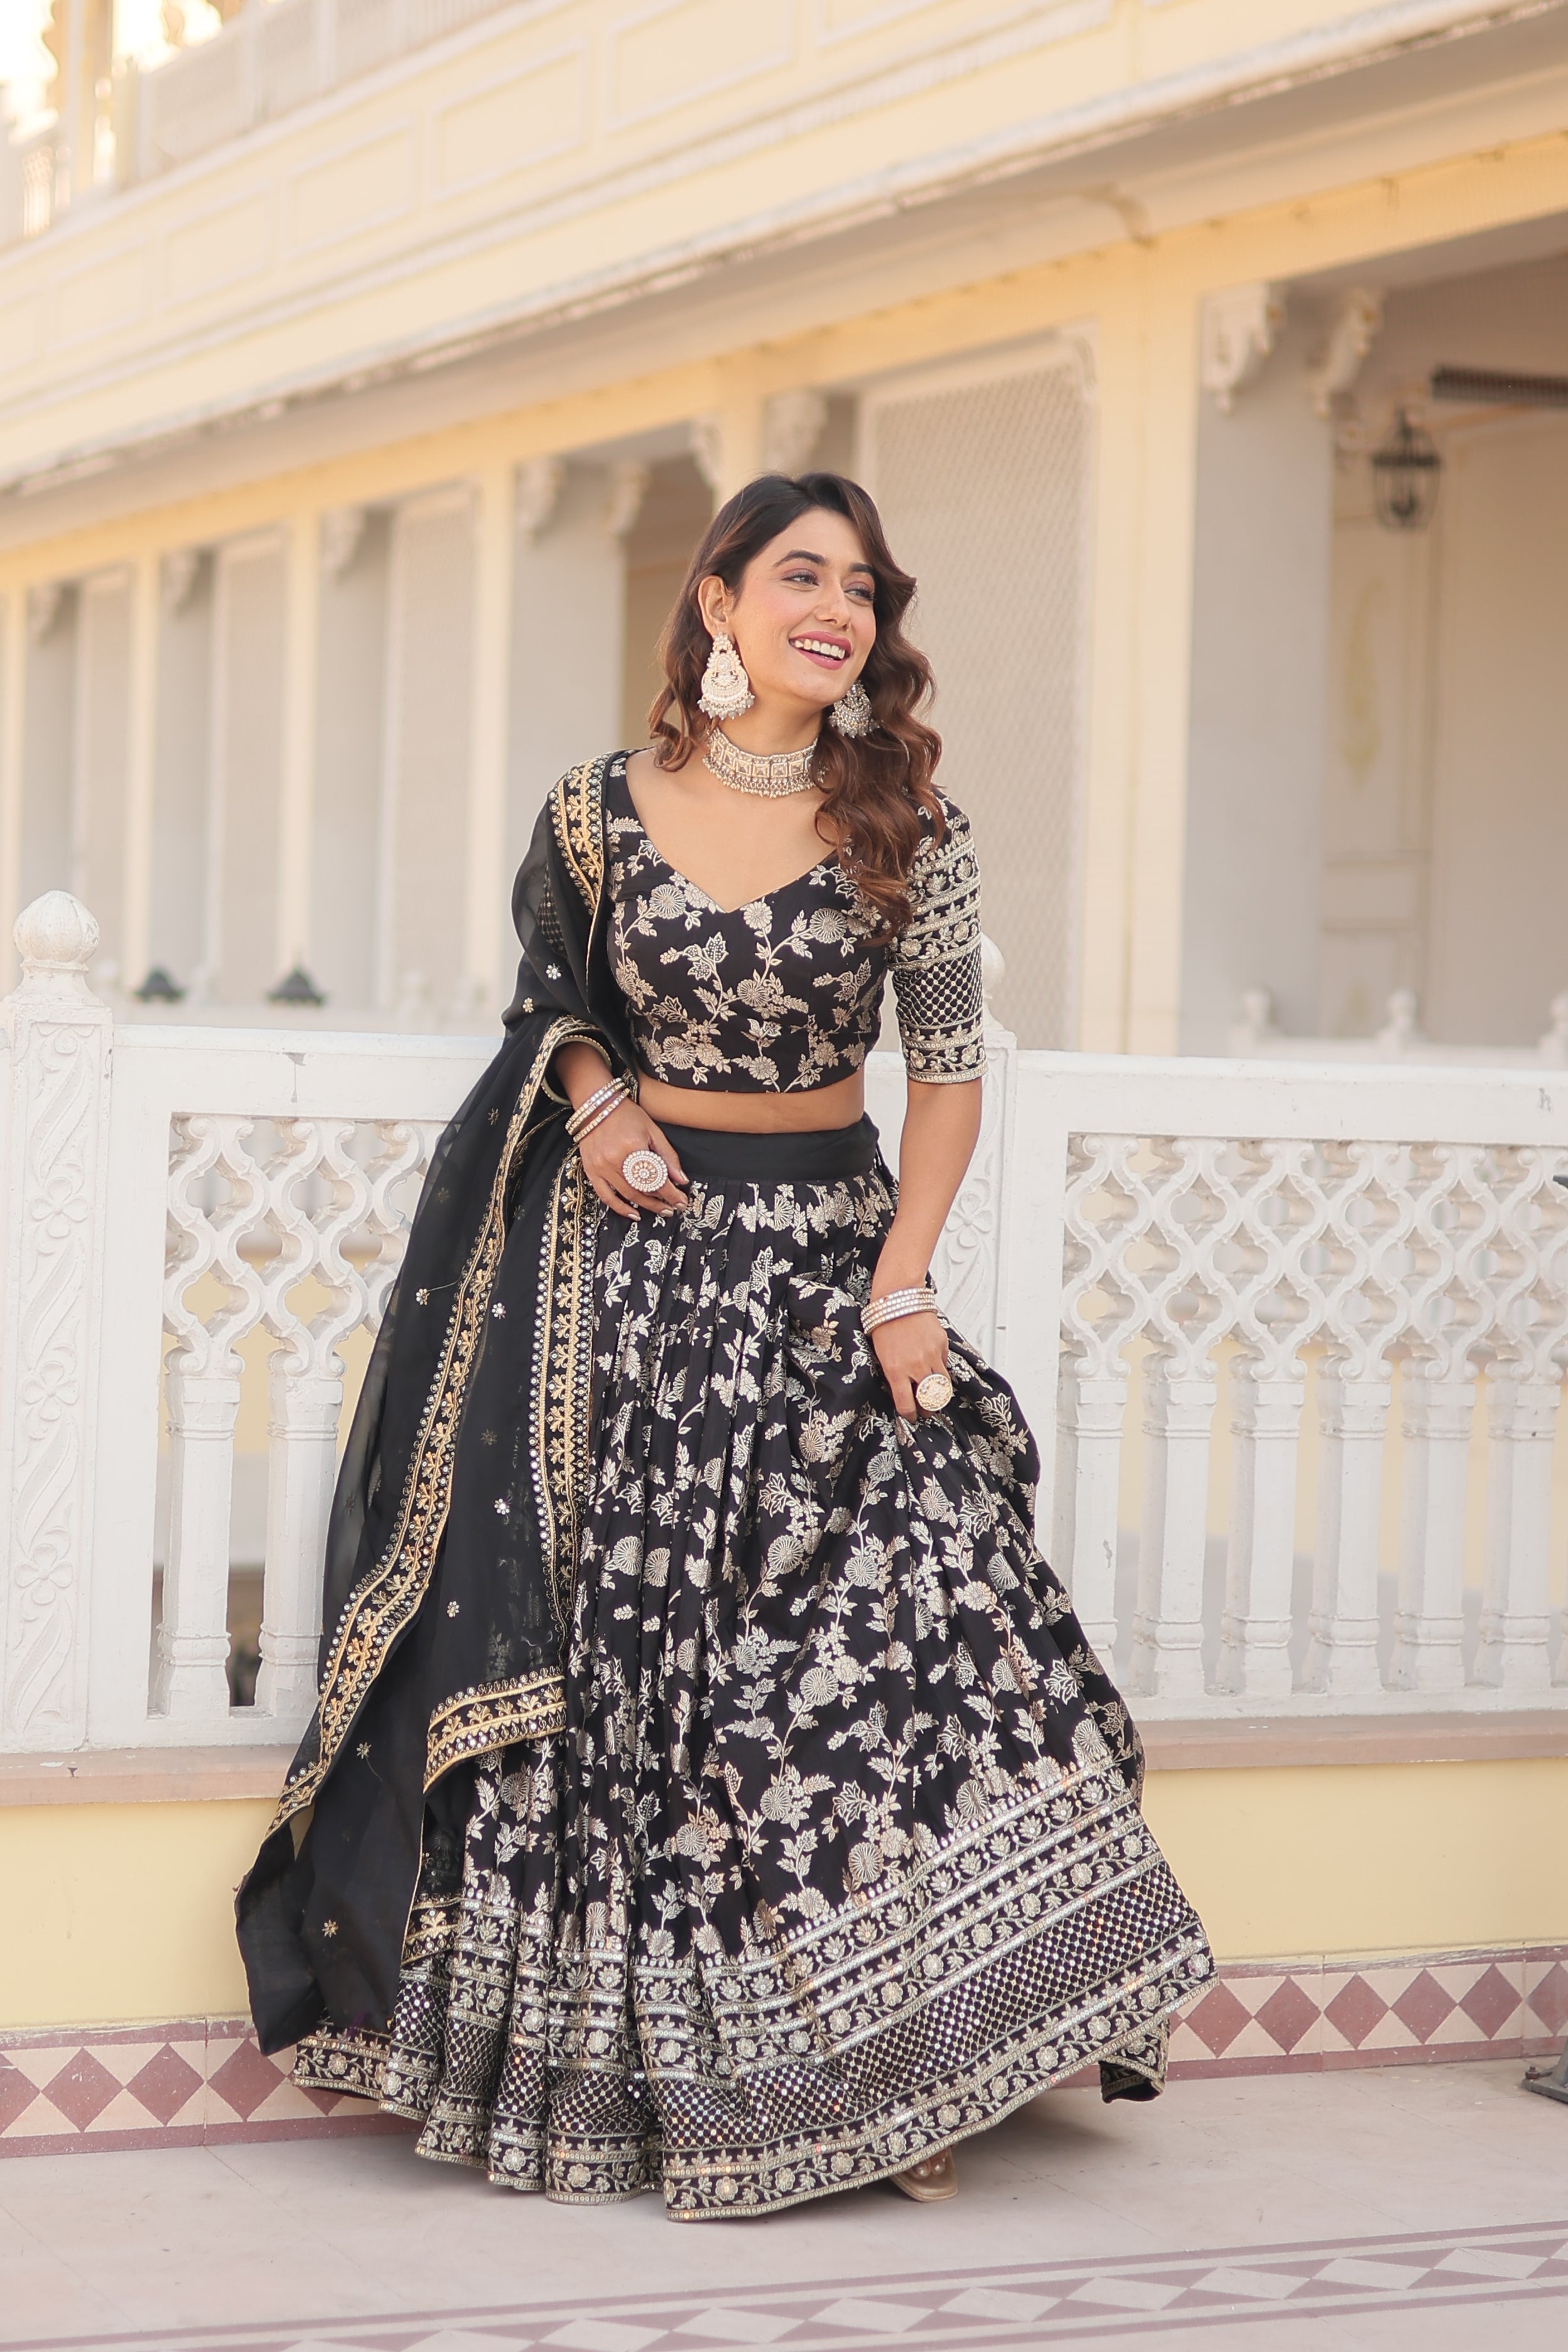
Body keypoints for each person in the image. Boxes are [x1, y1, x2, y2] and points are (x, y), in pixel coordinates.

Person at [237, 471, 1212, 2221]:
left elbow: (953, 1075)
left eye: (861, 588)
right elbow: (556, 1012)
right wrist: (601, 1108)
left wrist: (903, 1291)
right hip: (623, 1290)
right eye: (800, 575)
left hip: (826, 1285)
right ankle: (629, 2079)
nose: (835, 610)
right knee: (634, 1695)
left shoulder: (909, 814)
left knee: (879, 1657)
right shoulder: (598, 810)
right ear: (719, 599)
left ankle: (907, 2066)